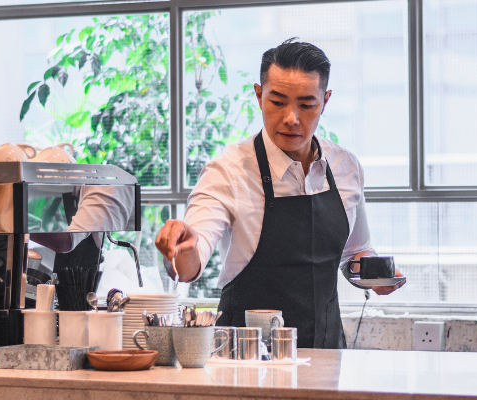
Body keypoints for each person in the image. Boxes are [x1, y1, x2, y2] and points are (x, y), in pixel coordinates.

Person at [154, 38, 403, 349]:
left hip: (326, 354)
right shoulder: (228, 171)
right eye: (278, 102)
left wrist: (377, 275)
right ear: (259, 96)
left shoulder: (346, 167)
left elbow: (356, 253)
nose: (291, 118)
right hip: (245, 358)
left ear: (325, 101)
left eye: (307, 105)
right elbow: (191, 261)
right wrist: (183, 248)